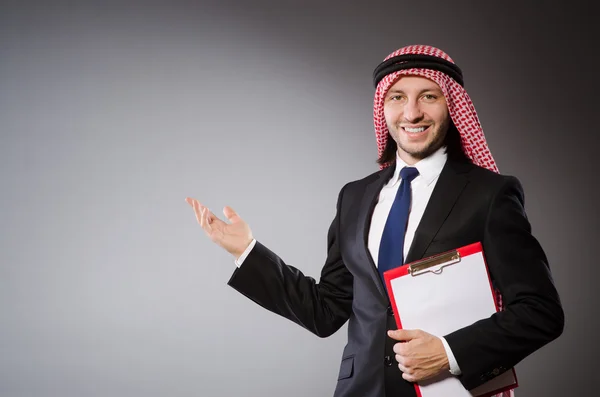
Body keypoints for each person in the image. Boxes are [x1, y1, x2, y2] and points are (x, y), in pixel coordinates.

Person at [185, 45, 564, 397]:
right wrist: (247, 252)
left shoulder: (490, 194)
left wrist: (449, 353)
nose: (412, 113)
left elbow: (540, 311)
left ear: (452, 106)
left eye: (428, 97)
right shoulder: (354, 196)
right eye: (398, 97)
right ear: (383, 108)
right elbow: (326, 310)